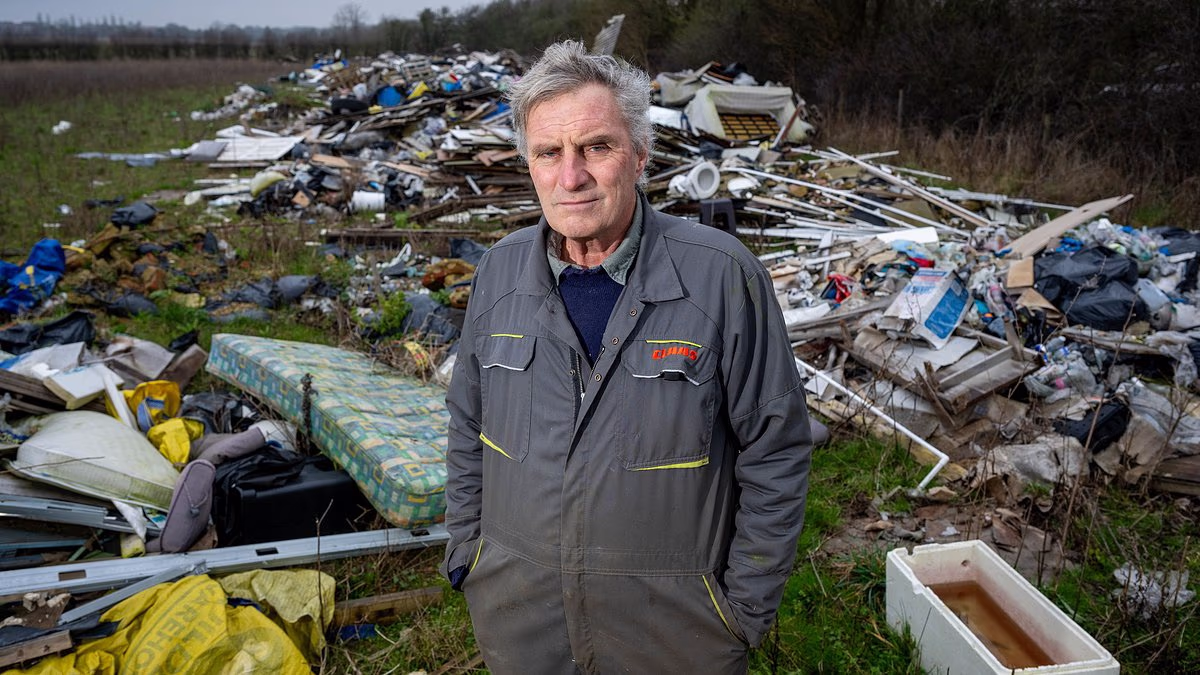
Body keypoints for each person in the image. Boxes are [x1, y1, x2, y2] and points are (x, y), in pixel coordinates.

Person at [441, 40, 812, 674]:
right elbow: (467, 427)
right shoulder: (499, 273)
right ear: (528, 163)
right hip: (521, 626)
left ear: (639, 154)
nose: (571, 176)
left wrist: (741, 612)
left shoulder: (722, 278)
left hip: (675, 639)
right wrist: (468, 555)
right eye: (548, 152)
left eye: (596, 147)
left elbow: (775, 451)